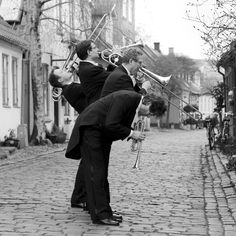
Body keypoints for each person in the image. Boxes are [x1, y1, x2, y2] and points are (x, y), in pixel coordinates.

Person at [65, 90, 167, 225]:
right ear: (148, 102)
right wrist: (131, 133)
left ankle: (103, 210)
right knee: (96, 173)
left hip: (100, 133)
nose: (149, 115)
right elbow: (111, 124)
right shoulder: (127, 98)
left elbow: (114, 123)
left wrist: (131, 134)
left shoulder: (131, 101)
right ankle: (100, 214)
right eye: (151, 112)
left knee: (102, 174)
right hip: (92, 129)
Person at [76, 39, 112, 104]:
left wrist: (113, 61)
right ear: (89, 52)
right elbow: (114, 76)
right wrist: (116, 58)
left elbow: (109, 75)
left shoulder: (86, 67)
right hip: (100, 106)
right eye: (95, 48)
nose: (98, 49)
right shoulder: (90, 69)